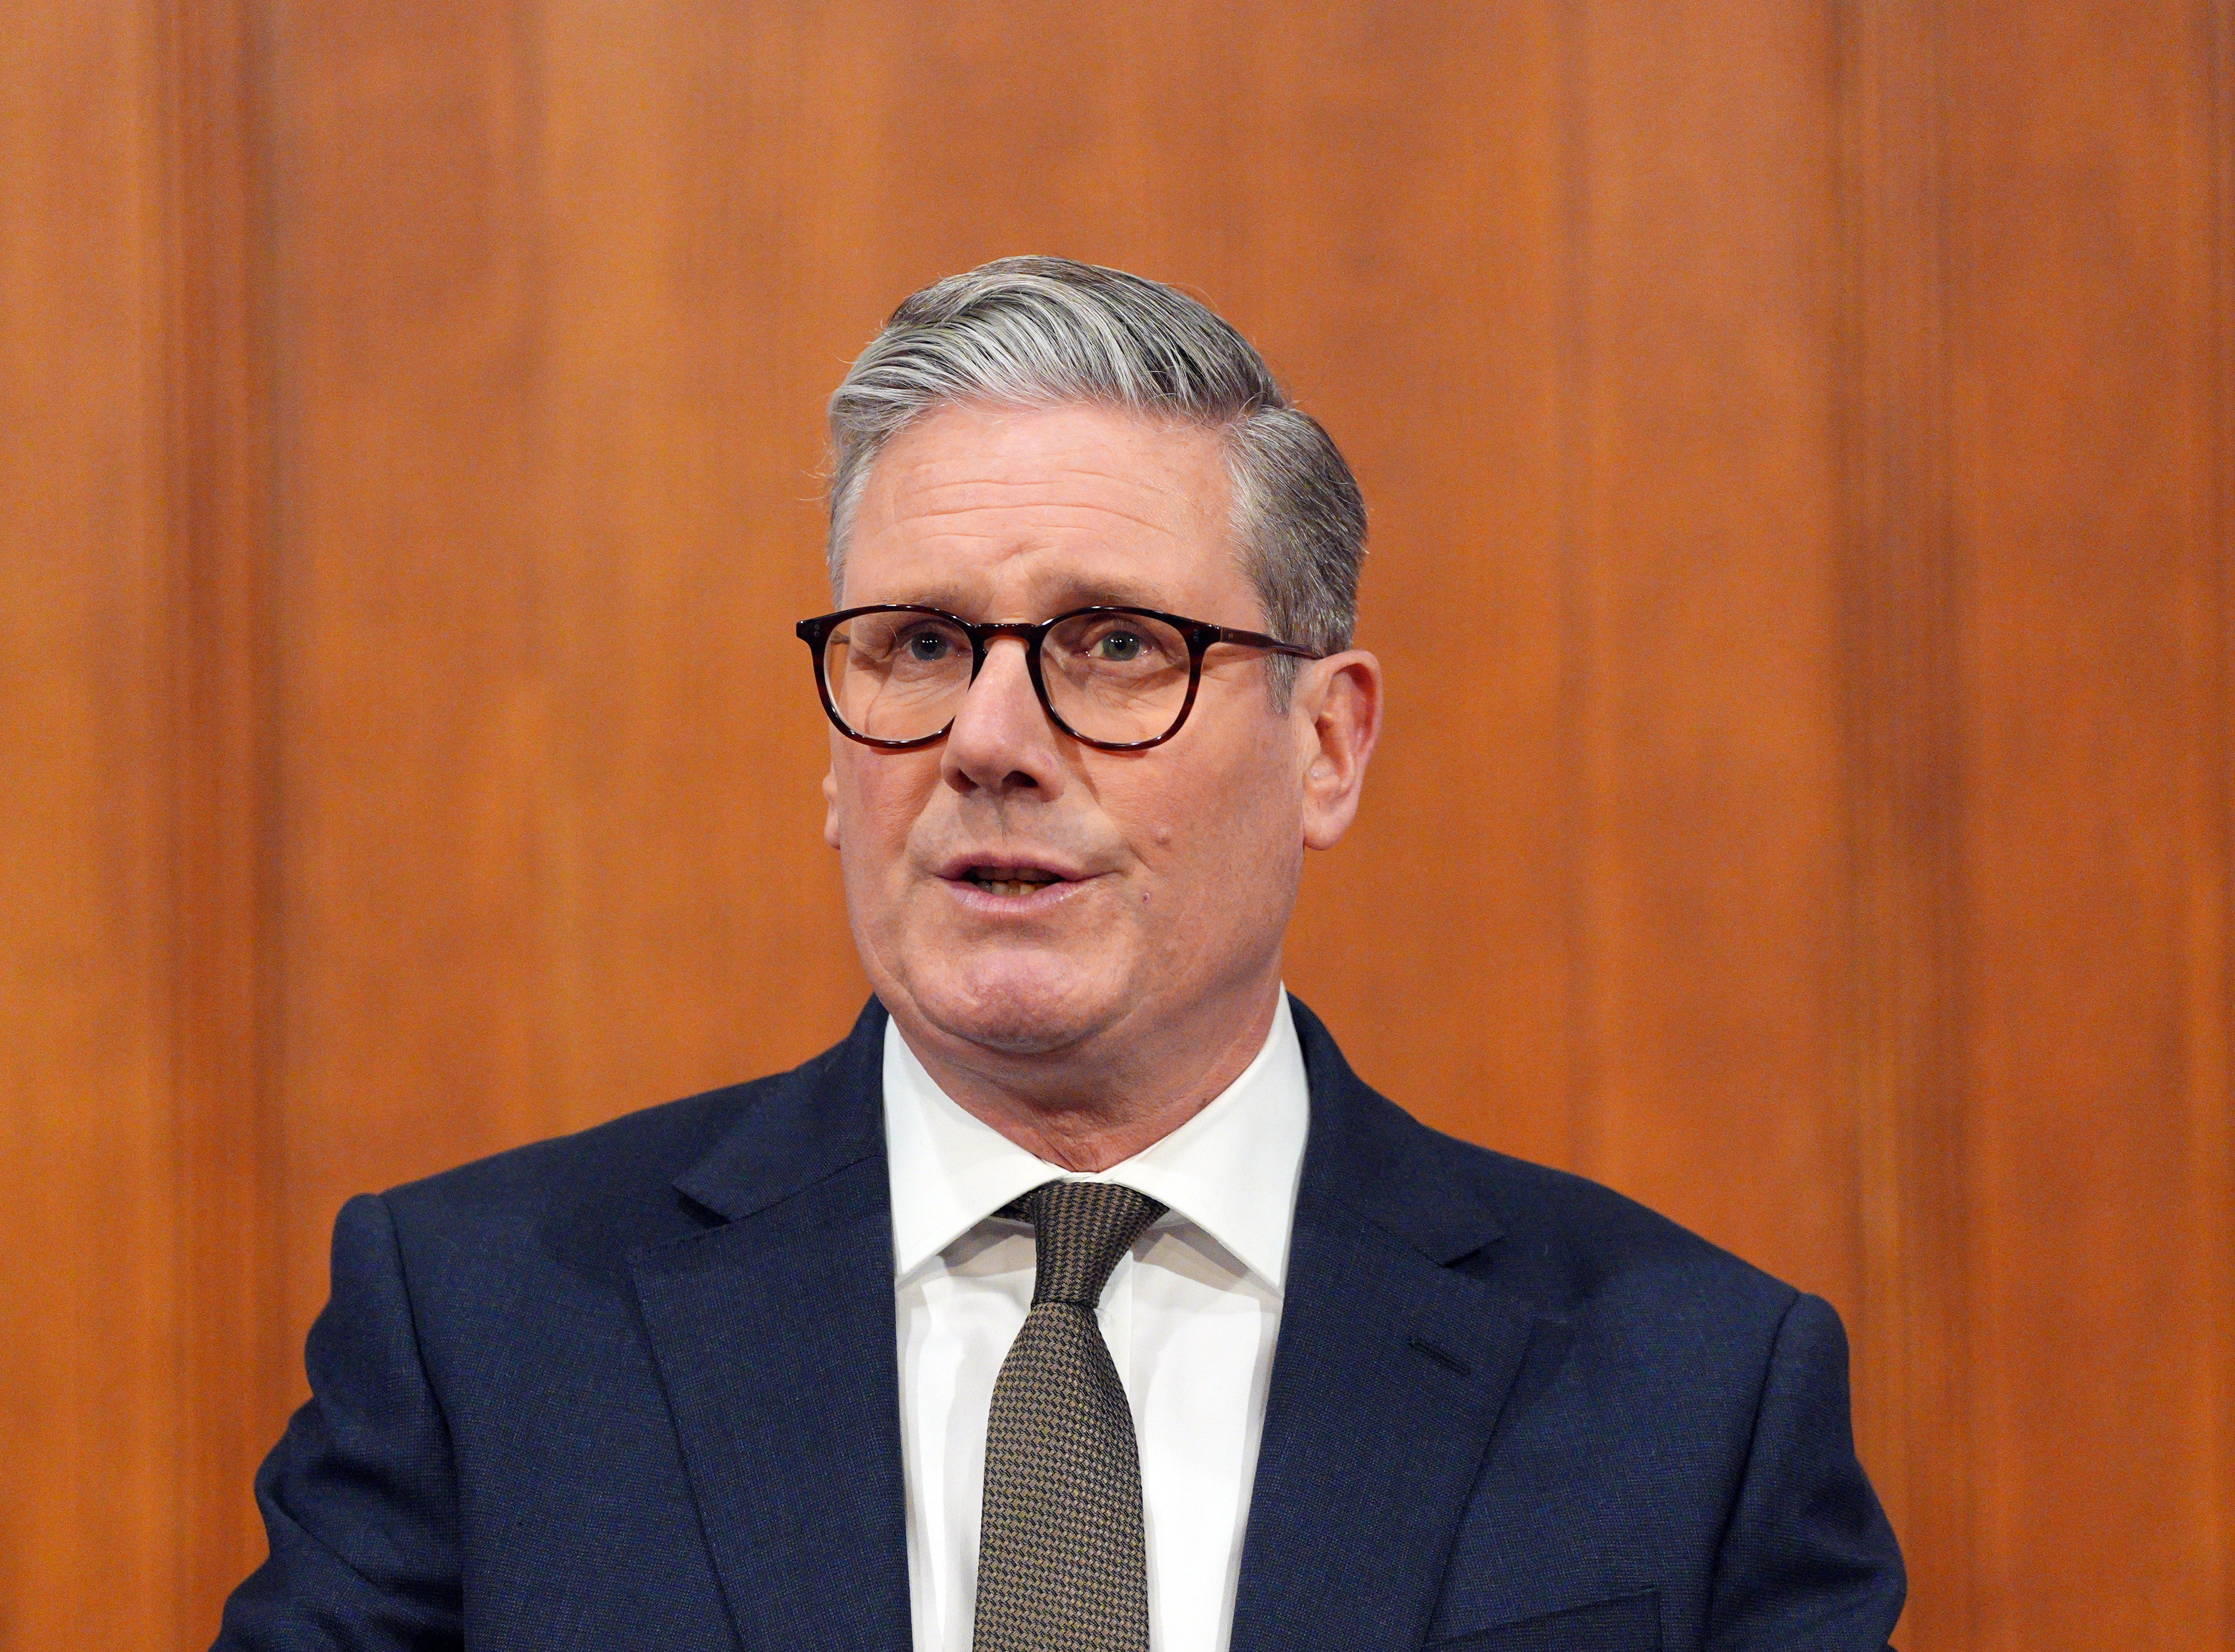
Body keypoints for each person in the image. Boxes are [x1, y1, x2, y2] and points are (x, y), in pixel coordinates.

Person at [215, 257, 1903, 1652]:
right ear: (834, 745)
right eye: (921, 644)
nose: (990, 739)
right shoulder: (486, 1332)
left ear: (1329, 745)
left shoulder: (1693, 1391)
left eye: (1114, 646)